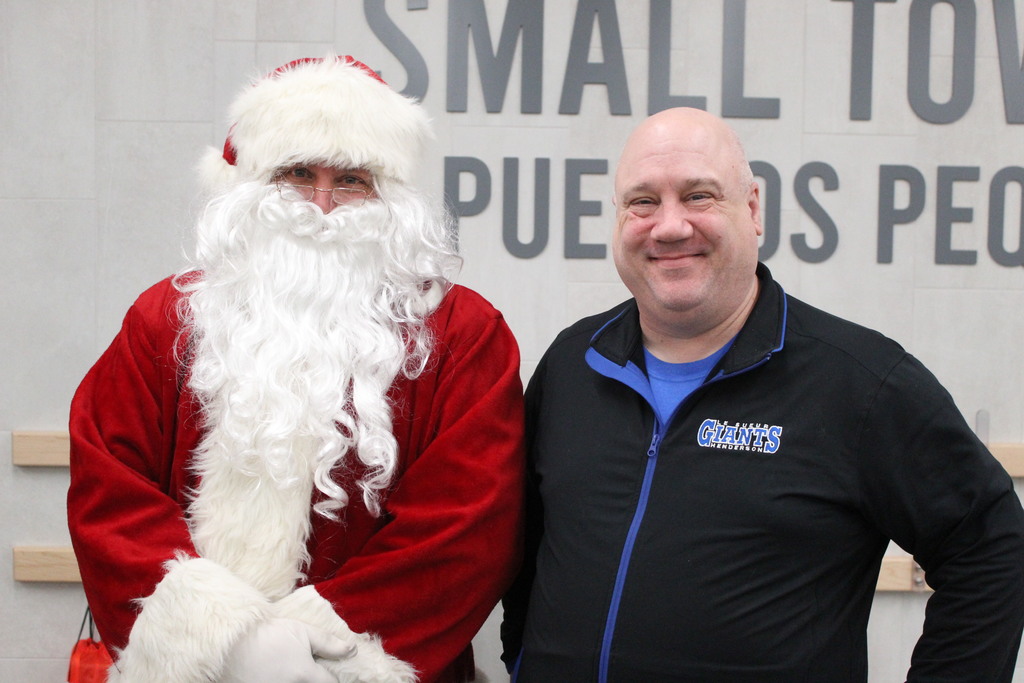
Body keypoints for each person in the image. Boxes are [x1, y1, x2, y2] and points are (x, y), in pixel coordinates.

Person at [500, 107, 1024, 682]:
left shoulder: (859, 383)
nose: (669, 226)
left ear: (752, 210)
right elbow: (526, 549)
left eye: (698, 196)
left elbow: (992, 547)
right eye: (643, 202)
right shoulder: (577, 364)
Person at [67, 55, 525, 683]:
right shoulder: (163, 319)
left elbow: (467, 525)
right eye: (296, 174)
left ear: (388, 193)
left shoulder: (464, 334)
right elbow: (108, 488)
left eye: (352, 180)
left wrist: (327, 642)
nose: (322, 204)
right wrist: (217, 639)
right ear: (252, 186)